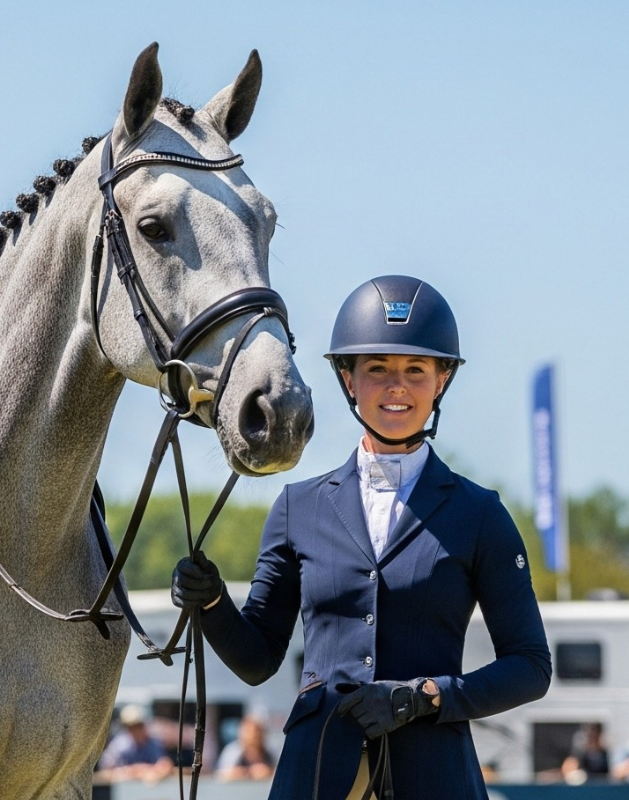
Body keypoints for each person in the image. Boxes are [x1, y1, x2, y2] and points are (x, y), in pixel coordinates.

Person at [173, 275, 552, 800]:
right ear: (349, 379)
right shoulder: (297, 508)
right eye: (377, 369)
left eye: (415, 370)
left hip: (433, 771)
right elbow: (258, 659)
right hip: (318, 766)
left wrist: (425, 696)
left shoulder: (480, 514)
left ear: (441, 380)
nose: (396, 386)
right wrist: (211, 603)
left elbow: (531, 667)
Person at [98, 705, 174, 783]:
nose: (137, 729)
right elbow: (106, 770)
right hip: (125, 790)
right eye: (132, 726)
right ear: (127, 728)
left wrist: (157, 770)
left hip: (151, 791)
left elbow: (164, 763)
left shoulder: (153, 743)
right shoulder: (119, 746)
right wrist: (134, 771)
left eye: (139, 725)